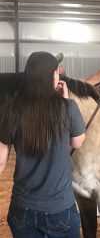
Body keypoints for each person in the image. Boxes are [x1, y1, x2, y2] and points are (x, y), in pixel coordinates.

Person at [0, 51, 86, 238]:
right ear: (54, 74)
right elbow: (77, 142)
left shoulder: (11, 110)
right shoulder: (68, 107)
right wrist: (64, 101)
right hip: (60, 209)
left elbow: (0, 161)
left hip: (22, 209)